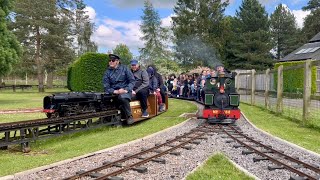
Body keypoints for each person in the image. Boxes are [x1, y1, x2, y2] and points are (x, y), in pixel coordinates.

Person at [103, 54, 136, 124]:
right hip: (114, 92)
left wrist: (126, 89)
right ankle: (105, 118)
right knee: (102, 99)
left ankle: (129, 116)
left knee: (122, 97)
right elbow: (106, 86)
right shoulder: (107, 72)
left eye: (113, 60)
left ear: (117, 61)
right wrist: (115, 91)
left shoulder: (125, 68)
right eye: (109, 60)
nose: (110, 62)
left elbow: (132, 81)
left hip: (125, 91)